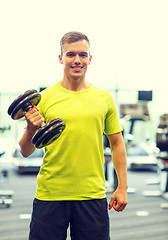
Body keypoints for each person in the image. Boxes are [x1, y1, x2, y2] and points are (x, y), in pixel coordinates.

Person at [19, 31, 128, 240]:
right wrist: (31, 128)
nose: (77, 60)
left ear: (90, 58)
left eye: (82, 55)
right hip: (50, 194)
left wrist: (122, 187)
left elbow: (117, 144)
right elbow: (25, 150)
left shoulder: (104, 99)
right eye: (70, 55)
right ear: (60, 58)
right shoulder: (44, 99)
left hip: (92, 195)